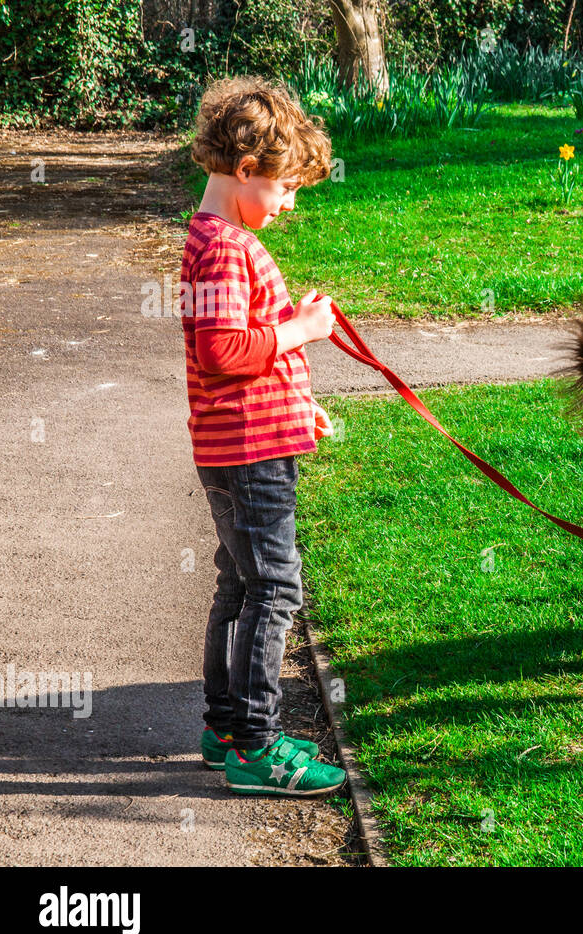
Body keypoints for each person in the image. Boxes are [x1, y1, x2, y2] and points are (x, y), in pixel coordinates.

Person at [181, 75, 345, 796]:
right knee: (274, 589)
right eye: (286, 188)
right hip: (249, 454)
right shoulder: (224, 248)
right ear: (246, 171)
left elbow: (242, 356)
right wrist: (303, 330)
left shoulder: (218, 237)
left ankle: (227, 728)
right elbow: (223, 353)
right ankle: (256, 746)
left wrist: (298, 405)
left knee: (239, 585)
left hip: (245, 439)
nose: (290, 203)